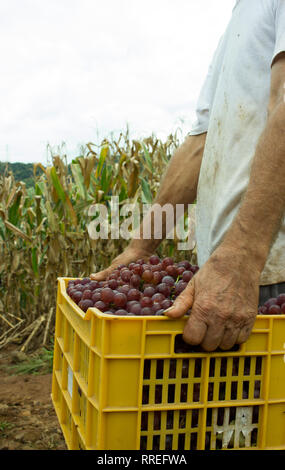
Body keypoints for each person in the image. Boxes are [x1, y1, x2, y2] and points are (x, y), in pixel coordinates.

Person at [91, 0, 285, 352]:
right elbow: (201, 141)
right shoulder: (242, 15)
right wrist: (141, 246)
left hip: (264, 273)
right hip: (221, 278)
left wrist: (242, 257)